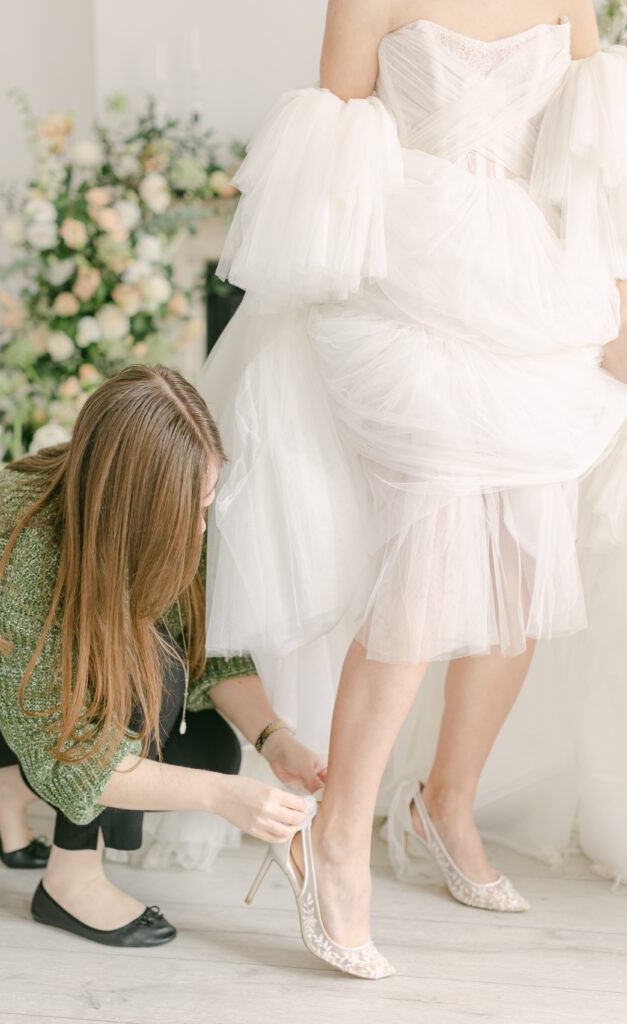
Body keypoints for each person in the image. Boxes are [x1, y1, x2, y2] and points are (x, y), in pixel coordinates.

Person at [200, 0, 627, 980]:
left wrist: (610, 308)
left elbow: (588, 164)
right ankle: (334, 837)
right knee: (430, 562)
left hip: (530, 281)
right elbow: (324, 158)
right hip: (403, 280)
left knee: (522, 565)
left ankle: (443, 799)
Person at [0, 363, 327, 947]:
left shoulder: (155, 517)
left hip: (28, 680)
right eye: (193, 508)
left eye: (207, 502)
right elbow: (74, 750)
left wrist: (274, 739)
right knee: (139, 677)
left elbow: (205, 650)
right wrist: (224, 799)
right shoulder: (14, 540)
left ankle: (6, 786)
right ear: (134, 500)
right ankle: (70, 879)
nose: (200, 528)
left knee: (209, 748)